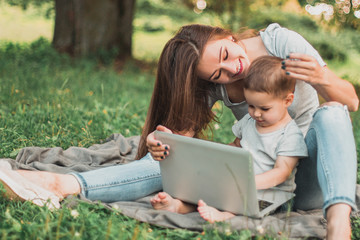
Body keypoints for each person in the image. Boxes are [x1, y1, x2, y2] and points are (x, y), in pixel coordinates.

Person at [0, 23, 358, 239]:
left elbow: (351, 103)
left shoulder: (280, 43)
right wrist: (161, 145)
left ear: (229, 36)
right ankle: (60, 185)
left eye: (225, 54)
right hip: (256, 181)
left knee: (332, 113)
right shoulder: (215, 81)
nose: (232, 69)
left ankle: (337, 223)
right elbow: (182, 140)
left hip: (307, 178)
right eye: (217, 73)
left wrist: (323, 77)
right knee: (174, 154)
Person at [150, 55, 309, 223]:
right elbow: (236, 145)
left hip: (271, 194)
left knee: (237, 199)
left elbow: (282, 172)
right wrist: (216, 159)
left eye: (265, 108)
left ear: (287, 100)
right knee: (208, 187)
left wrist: (248, 183)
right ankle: (179, 206)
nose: (256, 113)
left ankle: (224, 216)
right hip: (237, 183)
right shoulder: (249, 121)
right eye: (251, 105)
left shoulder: (290, 135)